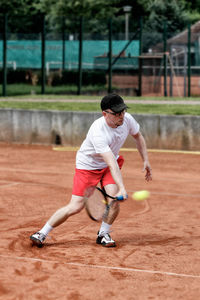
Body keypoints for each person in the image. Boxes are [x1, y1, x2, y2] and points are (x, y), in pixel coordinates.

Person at [30, 93, 152, 248]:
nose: (121, 116)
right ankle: (41, 233)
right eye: (117, 113)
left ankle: (103, 234)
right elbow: (111, 163)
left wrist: (146, 160)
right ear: (105, 114)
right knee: (75, 206)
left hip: (109, 165)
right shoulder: (98, 131)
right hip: (88, 166)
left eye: (123, 111)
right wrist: (122, 187)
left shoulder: (127, 119)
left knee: (113, 201)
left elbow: (138, 136)